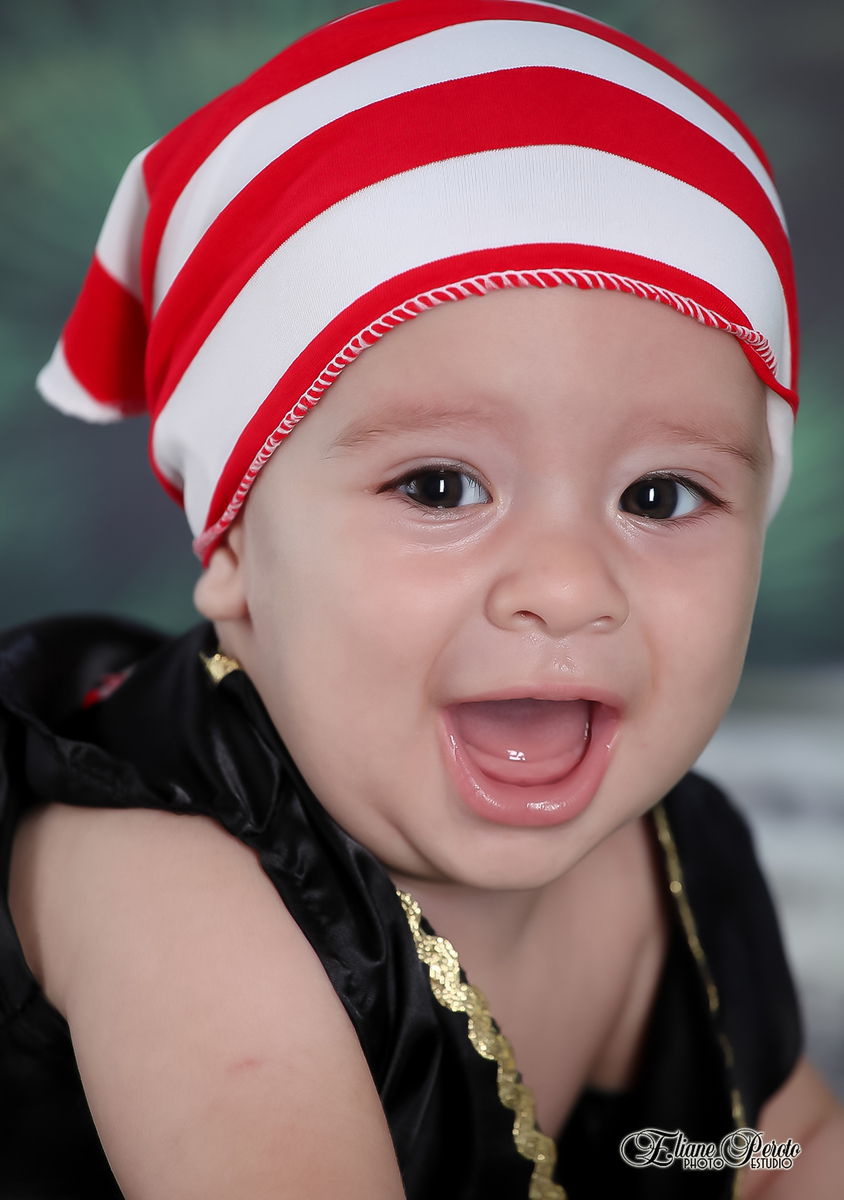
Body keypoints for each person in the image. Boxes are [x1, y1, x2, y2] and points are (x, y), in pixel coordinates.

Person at [1, 1, 842, 1197]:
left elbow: (767, 1154)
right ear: (231, 538)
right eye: (440, 486)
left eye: (658, 497)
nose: (567, 586)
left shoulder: (678, 856)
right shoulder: (169, 887)